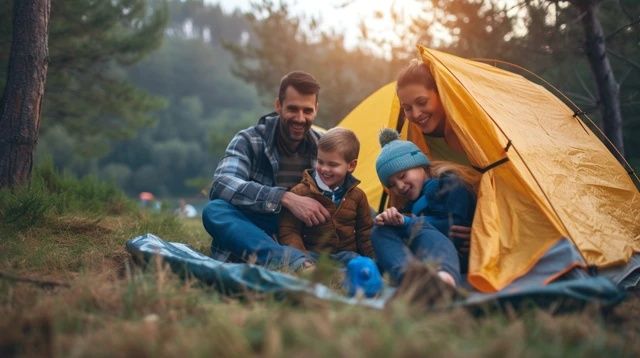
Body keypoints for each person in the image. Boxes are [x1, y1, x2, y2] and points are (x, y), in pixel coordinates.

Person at [202, 71, 331, 271]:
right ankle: (295, 262)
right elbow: (222, 184)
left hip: (301, 235)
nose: (300, 118)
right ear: (278, 106)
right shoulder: (249, 140)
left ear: (316, 110)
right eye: (293, 109)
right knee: (215, 211)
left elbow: (348, 195)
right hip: (255, 227)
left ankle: (296, 260)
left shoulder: (324, 147)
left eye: (307, 111)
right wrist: (284, 198)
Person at [371, 129, 477, 286]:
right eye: (392, 185)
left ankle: (444, 280)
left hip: (451, 255)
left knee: (406, 226)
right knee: (380, 229)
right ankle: (408, 278)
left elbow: (453, 228)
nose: (399, 186)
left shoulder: (449, 184)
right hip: (421, 258)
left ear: (421, 166)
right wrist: (392, 220)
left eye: (402, 176)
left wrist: (407, 222)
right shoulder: (410, 204)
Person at [395, 59, 478, 254]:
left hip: (489, 221)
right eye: (407, 108)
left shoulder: (474, 130)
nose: (415, 114)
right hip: (440, 233)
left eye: (422, 102)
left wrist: (483, 230)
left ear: (441, 93)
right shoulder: (416, 143)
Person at [278, 128, 375, 265]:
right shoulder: (300, 193)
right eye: (320, 162)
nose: (324, 169)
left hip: (346, 255)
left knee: (359, 264)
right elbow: (289, 230)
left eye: (333, 164)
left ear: (351, 166)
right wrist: (302, 258)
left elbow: (365, 233)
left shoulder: (358, 196)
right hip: (312, 255)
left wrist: (373, 259)